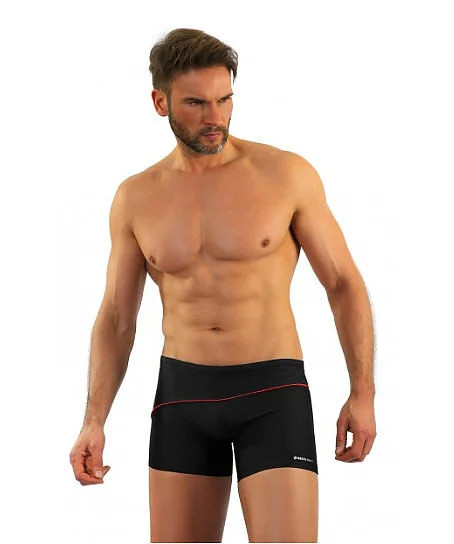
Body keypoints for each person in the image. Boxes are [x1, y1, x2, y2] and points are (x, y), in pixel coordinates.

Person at [69, 27, 377, 543]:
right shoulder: (136, 198)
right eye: (196, 103)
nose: (215, 117)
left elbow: (344, 283)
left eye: (224, 99)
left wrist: (362, 393)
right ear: (160, 102)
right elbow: (118, 318)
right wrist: (93, 419)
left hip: (272, 391)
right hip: (182, 396)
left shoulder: (285, 175)